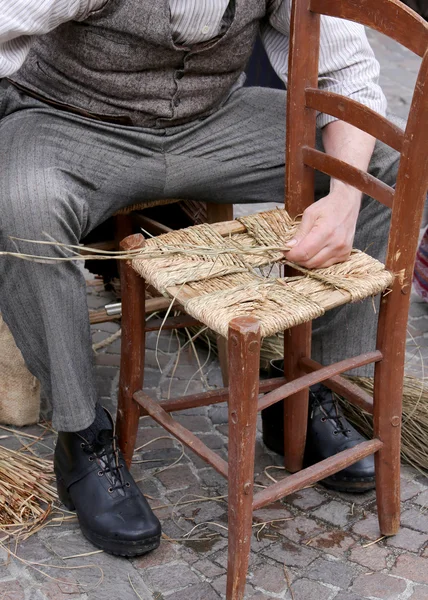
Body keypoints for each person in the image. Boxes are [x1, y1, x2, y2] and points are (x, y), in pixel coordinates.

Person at [0, 0, 401, 555]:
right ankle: (83, 436)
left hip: (210, 125)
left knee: (380, 166)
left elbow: (346, 68)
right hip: (69, 121)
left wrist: (346, 199)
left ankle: (306, 395)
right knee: (21, 207)